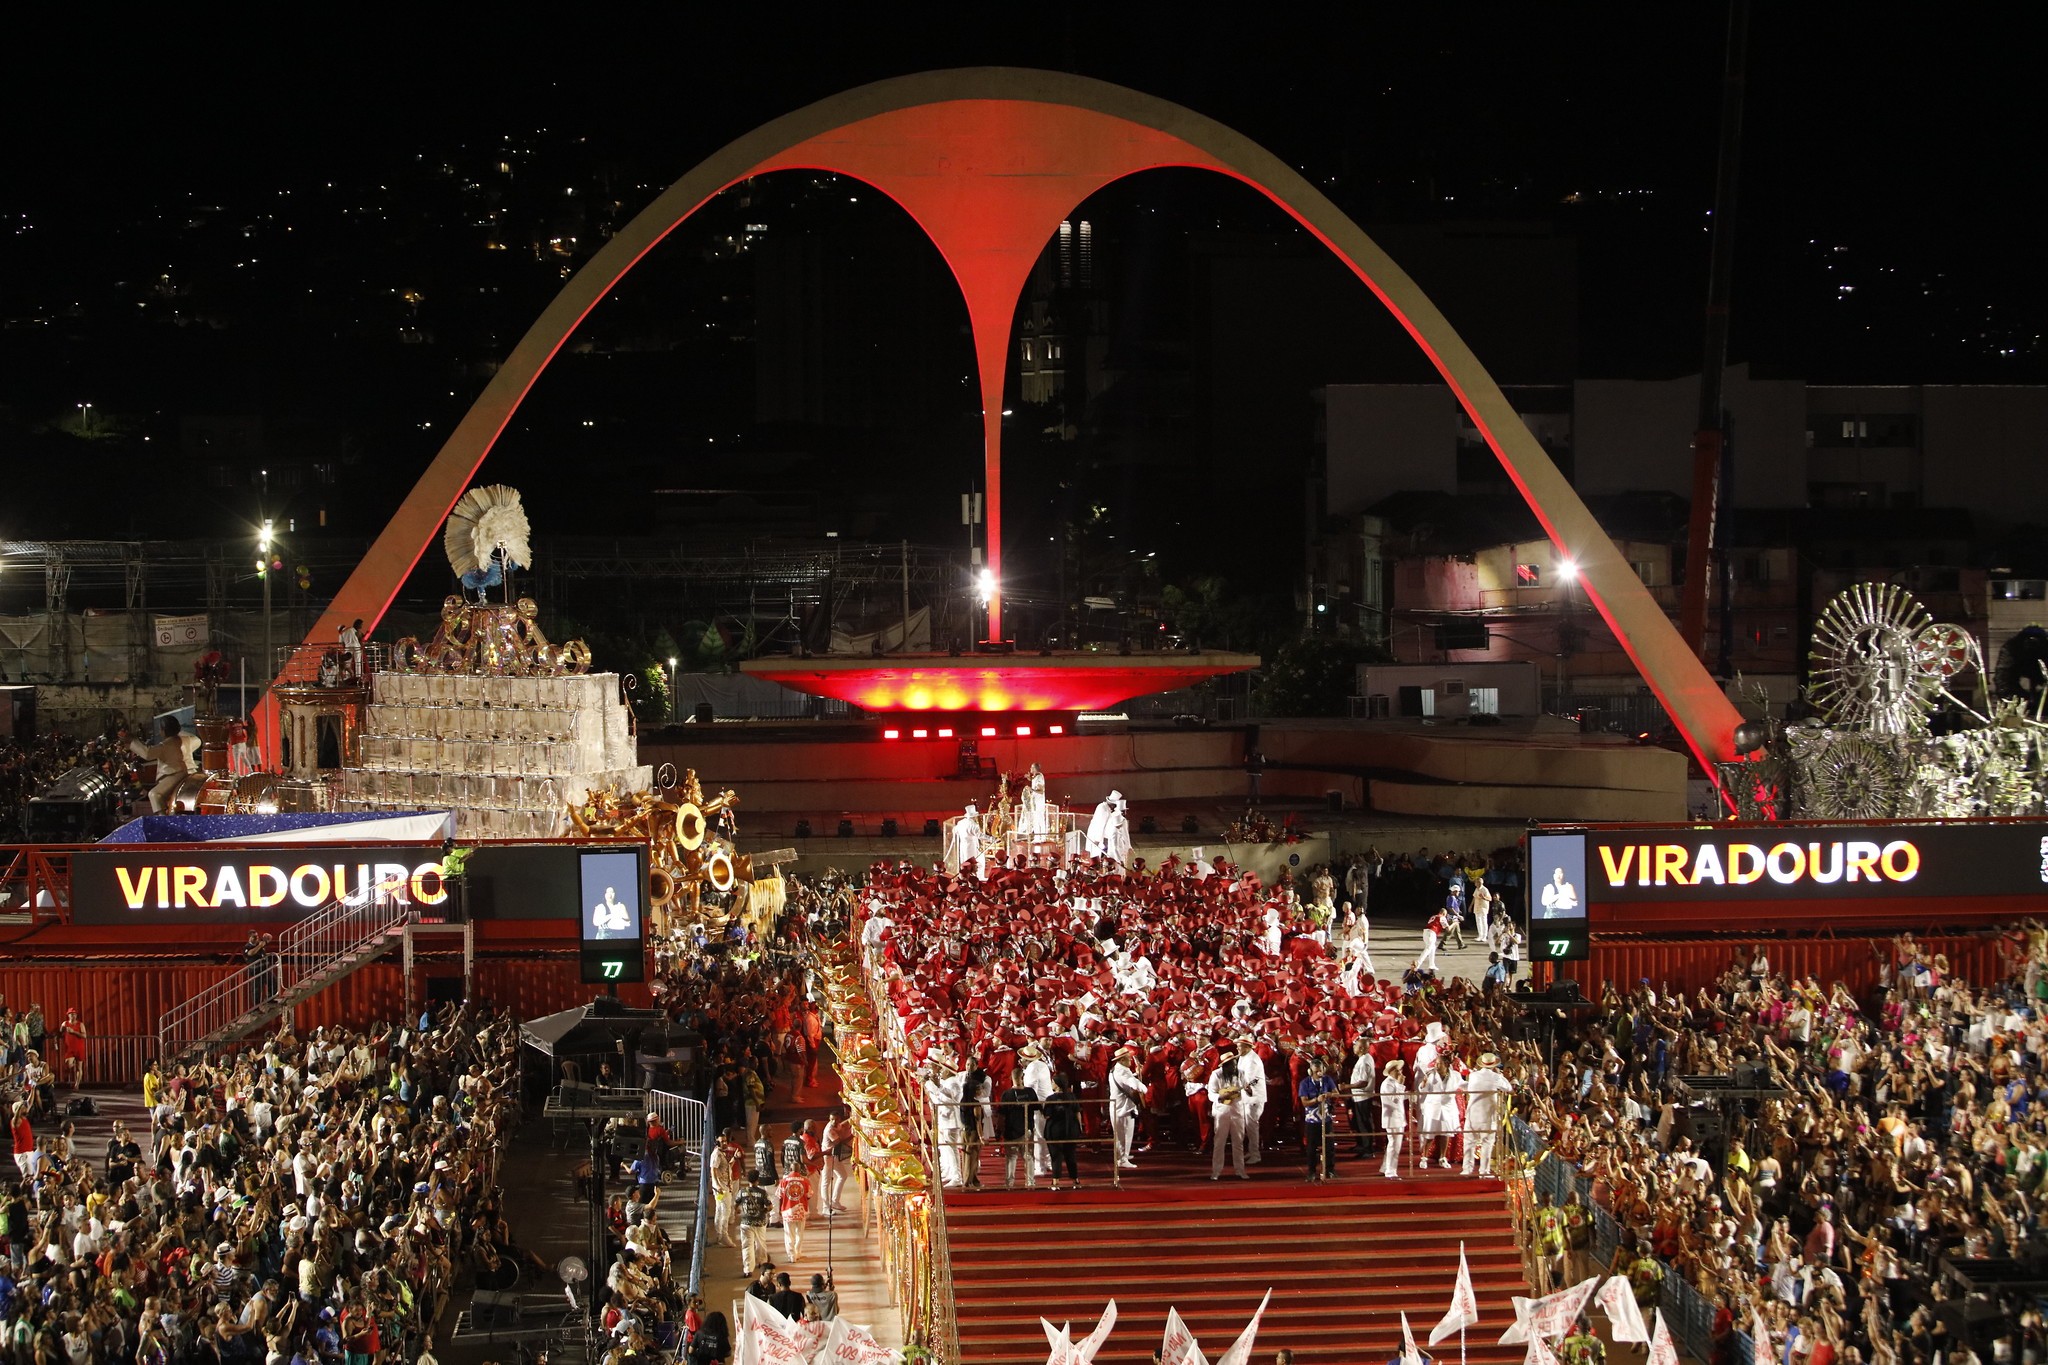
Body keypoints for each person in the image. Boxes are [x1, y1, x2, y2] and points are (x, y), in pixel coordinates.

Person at [130, 716, 200, 813]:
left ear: (164, 730)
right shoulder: (188, 740)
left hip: (176, 774)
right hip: (192, 772)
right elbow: (197, 740)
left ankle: (162, 818)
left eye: (161, 729)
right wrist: (178, 732)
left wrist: (132, 741)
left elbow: (147, 754)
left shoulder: (164, 745)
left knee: (155, 794)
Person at [1461, 1052, 1514, 1176]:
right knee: (1487, 1143)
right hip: (1488, 1116)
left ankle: (1466, 1169)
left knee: (1469, 1142)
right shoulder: (1497, 1077)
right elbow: (1510, 1089)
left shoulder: (1473, 1075)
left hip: (1472, 1114)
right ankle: (1484, 1171)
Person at [1209, 1045, 1253, 1180]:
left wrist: (1249, 1090)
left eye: (1235, 1064)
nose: (1234, 1067)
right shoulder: (1216, 1075)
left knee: (1238, 1142)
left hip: (1238, 1111)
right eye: (1231, 1065)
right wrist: (1219, 1098)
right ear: (1225, 1065)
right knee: (1219, 1142)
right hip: (1222, 1111)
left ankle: (1240, 1170)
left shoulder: (1241, 1073)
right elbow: (1211, 1093)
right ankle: (1216, 1172)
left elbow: (1249, 1090)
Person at [1298, 1054, 1339, 1182]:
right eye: (1316, 1072)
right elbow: (1304, 1102)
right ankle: (1311, 1172)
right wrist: (1316, 1099)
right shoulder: (1304, 1083)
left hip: (1326, 1118)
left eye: (1320, 1071)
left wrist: (1329, 1094)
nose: (1318, 1074)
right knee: (1311, 1148)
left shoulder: (1327, 1080)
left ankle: (1330, 1170)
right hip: (1312, 1120)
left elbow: (1336, 1093)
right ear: (1311, 1071)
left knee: (1329, 1146)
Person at [1042, 1073, 1083, 1190]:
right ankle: (1076, 1180)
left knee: (1056, 1156)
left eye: (1052, 1082)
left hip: (1054, 1131)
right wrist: (1079, 1128)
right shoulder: (1072, 1096)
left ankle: (1056, 1182)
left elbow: (1047, 1116)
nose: (1051, 1084)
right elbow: (1077, 1113)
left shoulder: (1050, 1099)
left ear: (1056, 1084)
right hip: (1070, 1130)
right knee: (1071, 1155)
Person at [997, 1073, 1037, 1191]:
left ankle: (1009, 1184)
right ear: (1022, 1077)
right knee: (1028, 1156)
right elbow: (1037, 1107)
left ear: (1011, 1078)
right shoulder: (1030, 1093)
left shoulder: (1006, 1094)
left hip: (1011, 1130)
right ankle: (1030, 1182)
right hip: (1027, 1129)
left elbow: (1001, 1115)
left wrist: (999, 1130)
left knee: (1011, 1157)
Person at [1108, 1045, 1146, 1171]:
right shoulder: (1122, 1072)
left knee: (1122, 1134)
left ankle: (1123, 1155)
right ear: (1122, 1060)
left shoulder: (1116, 1070)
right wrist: (1143, 1088)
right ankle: (1122, 1159)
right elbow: (1133, 1083)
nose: (1130, 1061)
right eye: (1128, 1059)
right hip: (1122, 1108)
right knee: (1124, 1134)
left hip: (1118, 1107)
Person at [735, 1174, 772, 1275]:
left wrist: (738, 1211)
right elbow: (770, 1206)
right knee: (761, 1244)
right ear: (757, 1180)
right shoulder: (762, 1192)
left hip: (746, 1222)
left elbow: (736, 1204)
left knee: (747, 1245)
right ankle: (762, 1263)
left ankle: (748, 1269)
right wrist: (764, 1210)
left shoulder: (742, 1192)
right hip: (760, 1222)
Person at [1379, 1059, 1409, 1178]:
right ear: (1391, 1072)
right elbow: (1395, 1099)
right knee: (1394, 1146)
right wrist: (1401, 1086)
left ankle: (1385, 1167)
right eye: (1397, 1071)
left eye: (1400, 1070)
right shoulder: (1387, 1084)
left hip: (1398, 1118)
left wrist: (1408, 1095)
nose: (1400, 1073)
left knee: (1393, 1145)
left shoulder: (1394, 1083)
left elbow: (1399, 1098)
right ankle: (1390, 1172)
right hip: (1392, 1119)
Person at [777, 1162, 811, 1263]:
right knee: (799, 1233)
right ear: (799, 1170)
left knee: (789, 1234)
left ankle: (791, 1255)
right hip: (801, 1210)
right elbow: (809, 1195)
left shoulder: (784, 1181)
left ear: (790, 1170)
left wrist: (780, 1209)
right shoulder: (805, 1181)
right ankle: (798, 1252)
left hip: (787, 1211)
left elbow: (779, 1196)